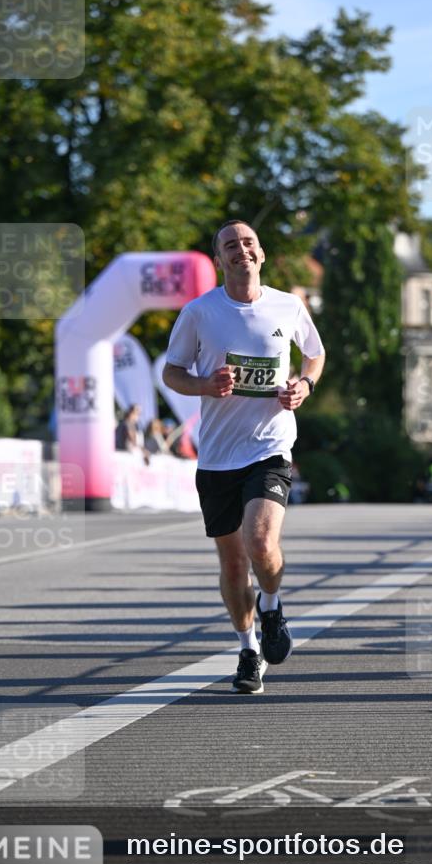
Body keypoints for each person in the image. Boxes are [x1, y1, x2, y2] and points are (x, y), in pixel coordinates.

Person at [163, 219, 325, 693]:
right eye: (230, 246)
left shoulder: (288, 305)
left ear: (262, 253)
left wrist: (305, 385)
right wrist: (203, 385)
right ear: (220, 260)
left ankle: (272, 605)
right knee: (234, 565)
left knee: (260, 541)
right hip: (216, 457)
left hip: (270, 446)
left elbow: (314, 354)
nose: (241, 250)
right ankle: (248, 649)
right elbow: (172, 372)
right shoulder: (199, 312)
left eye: (248, 243)